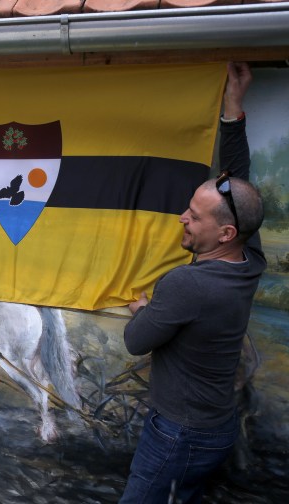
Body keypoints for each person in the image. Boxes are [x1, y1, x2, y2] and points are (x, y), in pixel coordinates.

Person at [119, 61, 266, 504]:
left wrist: (144, 310)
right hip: (213, 426)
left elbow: (136, 341)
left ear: (224, 233)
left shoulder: (187, 283)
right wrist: (233, 112)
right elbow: (239, 187)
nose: (182, 217)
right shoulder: (249, 258)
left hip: (177, 436)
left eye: (194, 216)